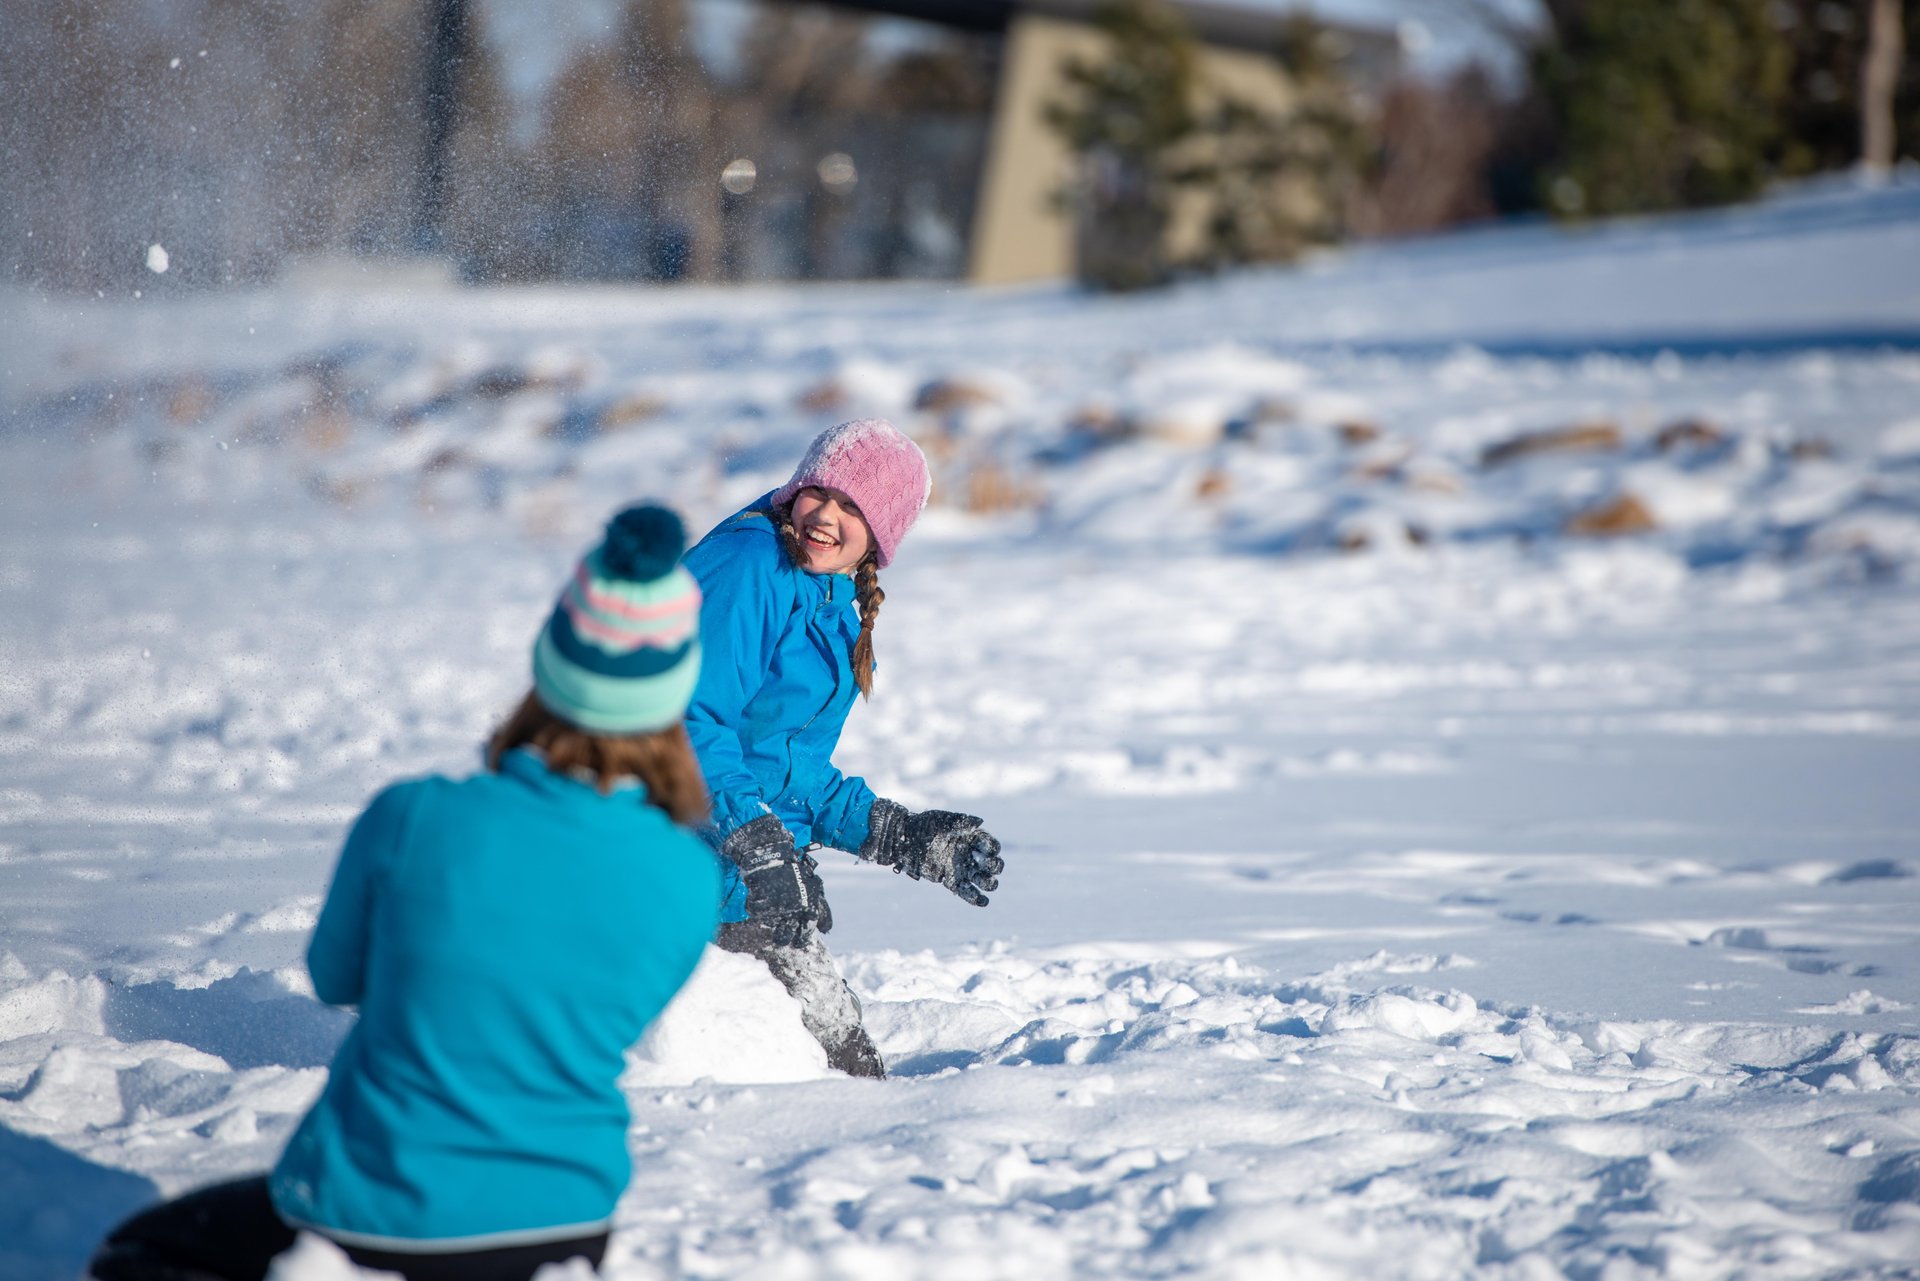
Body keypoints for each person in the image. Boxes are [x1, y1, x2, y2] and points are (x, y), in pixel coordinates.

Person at [90, 505, 721, 1281]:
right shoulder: (692, 876)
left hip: (370, 1210)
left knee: (133, 1255)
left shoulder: (414, 815)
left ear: (550, 666)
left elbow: (335, 977)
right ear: (673, 694)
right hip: (567, 1223)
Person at [683, 418, 1006, 1079]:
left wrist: (899, 834)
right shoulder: (753, 565)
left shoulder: (830, 594)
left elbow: (785, 767)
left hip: (733, 874)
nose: (824, 515)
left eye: (852, 506)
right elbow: (681, 717)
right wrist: (755, 840)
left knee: (844, 1060)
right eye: (818, 492)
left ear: (880, 534)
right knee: (817, 1072)